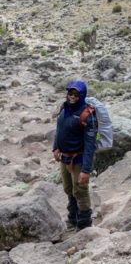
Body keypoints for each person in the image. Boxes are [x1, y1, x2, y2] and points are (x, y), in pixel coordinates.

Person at [52, 80, 96, 230]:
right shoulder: (64, 109)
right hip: (64, 157)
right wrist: (55, 147)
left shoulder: (86, 116)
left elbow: (90, 145)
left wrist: (86, 170)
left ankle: (84, 224)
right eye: (70, 93)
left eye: (76, 94)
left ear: (82, 95)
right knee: (68, 188)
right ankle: (73, 218)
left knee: (80, 190)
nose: (72, 96)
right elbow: (59, 129)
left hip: (79, 158)